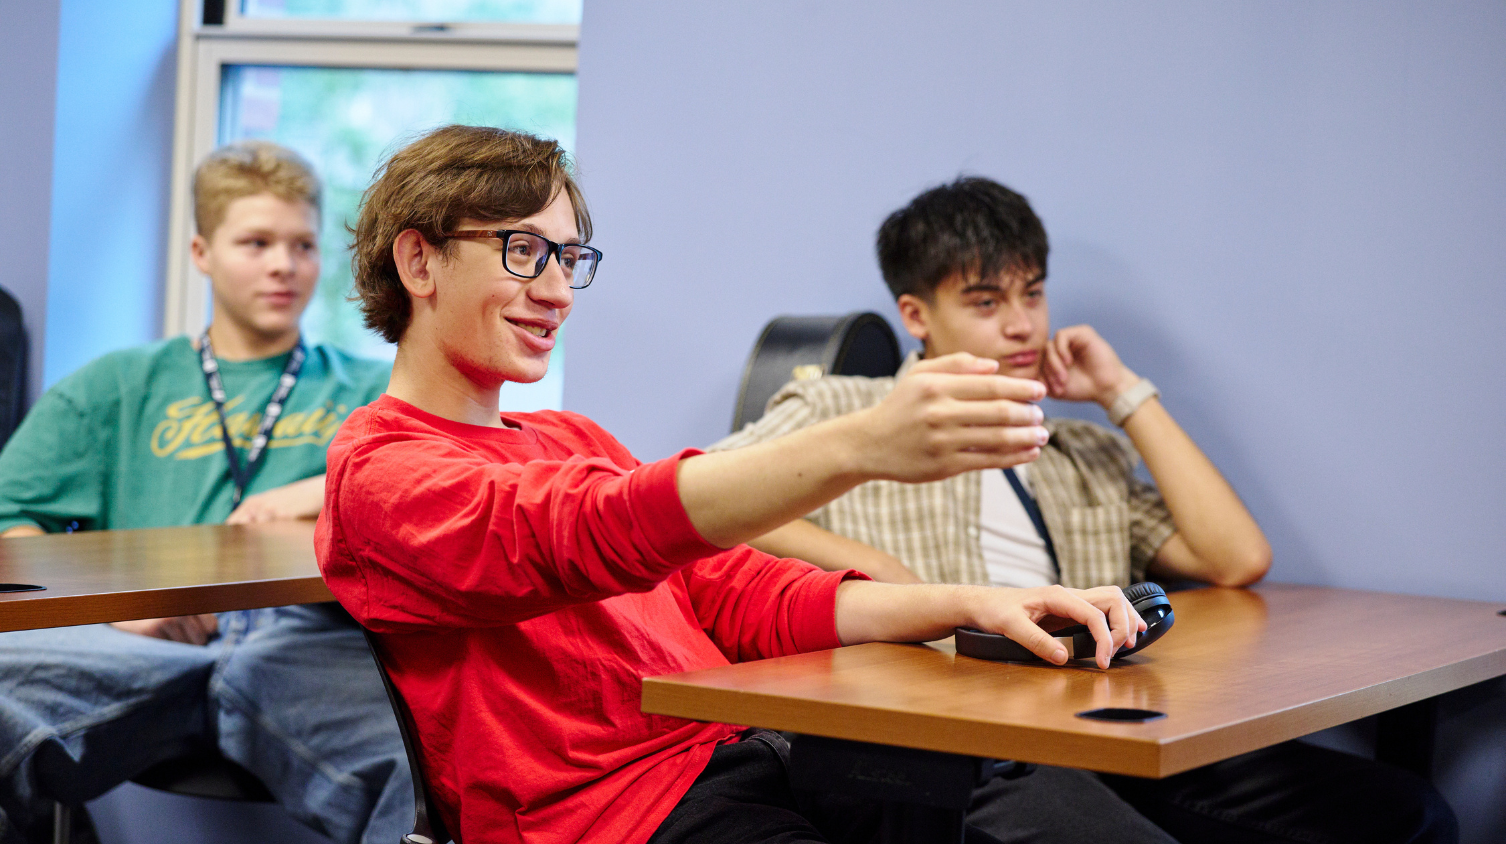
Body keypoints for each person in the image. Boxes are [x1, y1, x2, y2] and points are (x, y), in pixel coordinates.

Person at [316, 125, 1163, 844]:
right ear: (418, 261)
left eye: (569, 258)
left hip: (759, 758)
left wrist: (973, 604)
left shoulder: (571, 438)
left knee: (1024, 787)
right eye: (524, 251)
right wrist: (859, 444)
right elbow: (586, 531)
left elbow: (740, 592)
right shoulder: (380, 471)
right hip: (629, 816)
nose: (558, 291)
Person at [710, 176, 1457, 843]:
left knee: (1406, 813)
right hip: (968, 743)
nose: (1022, 325)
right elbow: (705, 499)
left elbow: (1235, 558)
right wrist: (871, 568)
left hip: (1106, 721)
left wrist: (1119, 391)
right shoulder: (845, 410)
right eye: (986, 302)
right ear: (916, 314)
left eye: (1033, 295)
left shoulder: (1077, 451)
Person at [0, 141, 409, 844]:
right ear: (201, 252)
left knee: (437, 764)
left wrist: (324, 487)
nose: (284, 265)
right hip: (135, 644)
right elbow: (11, 522)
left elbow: (446, 486)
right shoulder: (115, 385)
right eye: (256, 243)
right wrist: (116, 615)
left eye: (303, 245)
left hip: (305, 646)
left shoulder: (377, 388)